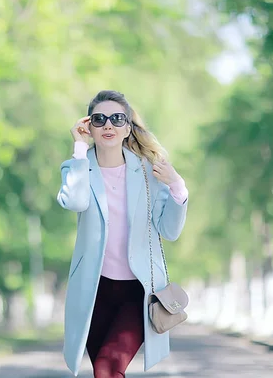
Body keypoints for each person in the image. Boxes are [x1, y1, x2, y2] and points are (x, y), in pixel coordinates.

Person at [56, 90, 189, 377]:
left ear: (128, 127)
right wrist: (79, 150)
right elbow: (76, 201)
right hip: (93, 291)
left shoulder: (146, 172)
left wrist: (178, 187)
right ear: (88, 126)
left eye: (117, 119)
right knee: (104, 371)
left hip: (137, 291)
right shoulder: (78, 167)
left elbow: (170, 230)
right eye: (99, 119)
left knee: (107, 368)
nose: (108, 125)